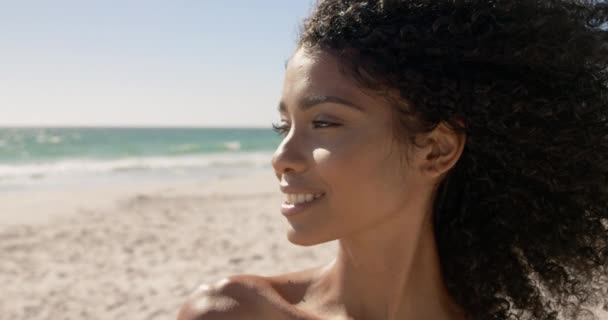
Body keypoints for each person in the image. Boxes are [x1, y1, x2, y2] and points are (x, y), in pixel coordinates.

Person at [177, 0, 608, 319]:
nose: (281, 158)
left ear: (437, 150)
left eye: (324, 123)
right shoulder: (234, 312)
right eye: (284, 125)